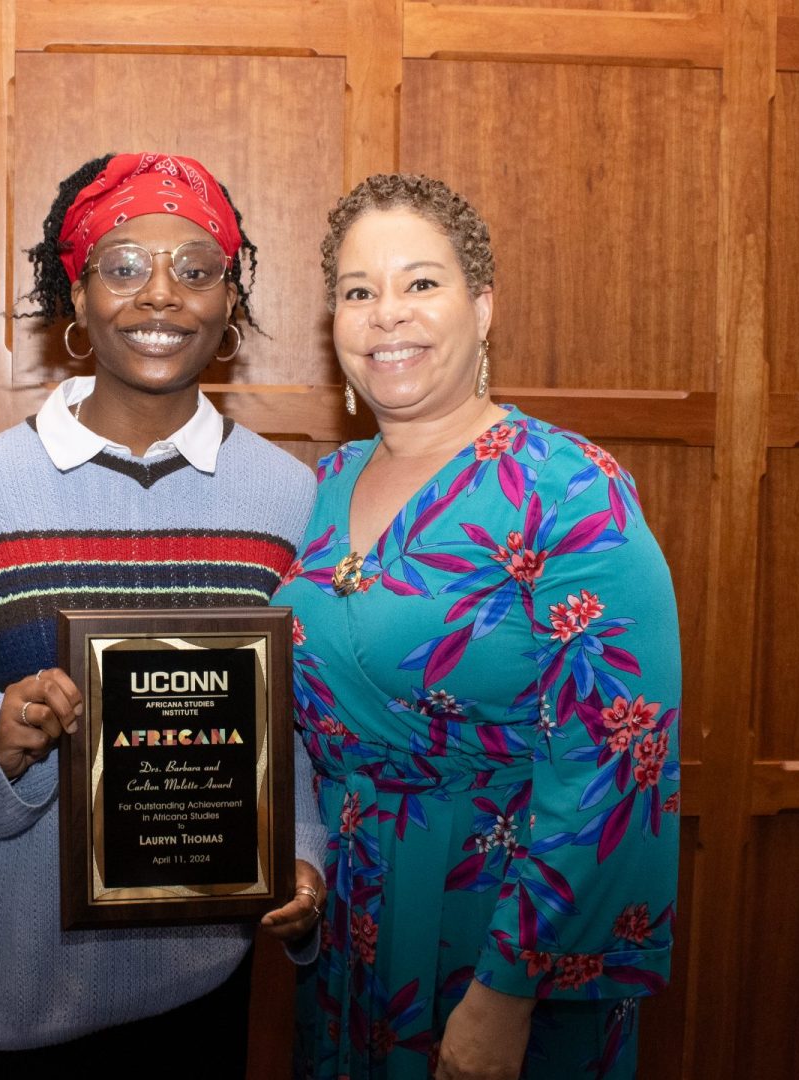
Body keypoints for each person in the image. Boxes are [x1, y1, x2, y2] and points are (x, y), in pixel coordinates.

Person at [0, 152, 328, 1078]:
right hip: (18, 987)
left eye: (195, 269)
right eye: (123, 267)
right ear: (75, 295)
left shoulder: (286, 497)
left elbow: (295, 728)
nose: (161, 297)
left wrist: (302, 862)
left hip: (204, 978)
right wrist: (3, 738)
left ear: (230, 301)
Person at [276, 175, 680, 1080]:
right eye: (357, 290)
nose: (387, 315)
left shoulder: (569, 489)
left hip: (500, 933)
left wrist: (511, 989)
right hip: (350, 924)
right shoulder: (326, 485)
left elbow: (617, 764)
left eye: (421, 283)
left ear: (482, 306)